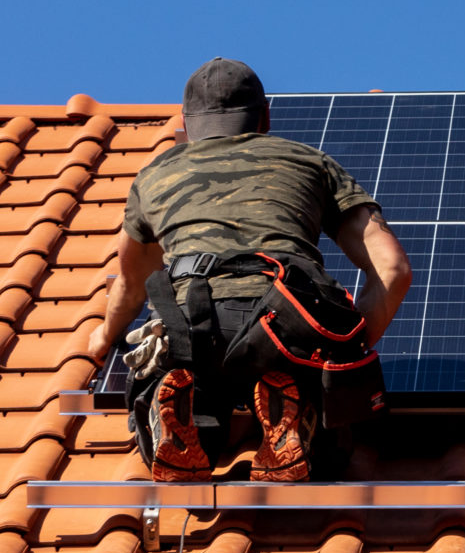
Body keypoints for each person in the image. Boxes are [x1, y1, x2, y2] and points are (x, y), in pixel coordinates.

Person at [85, 58, 414, 482]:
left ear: (185, 125)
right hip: (284, 318)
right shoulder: (307, 162)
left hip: (188, 323)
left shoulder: (155, 175)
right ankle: (297, 408)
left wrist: (103, 336)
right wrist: (348, 355)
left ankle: (179, 408)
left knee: (184, 396)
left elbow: (131, 284)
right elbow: (393, 269)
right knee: (329, 450)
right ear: (265, 117)